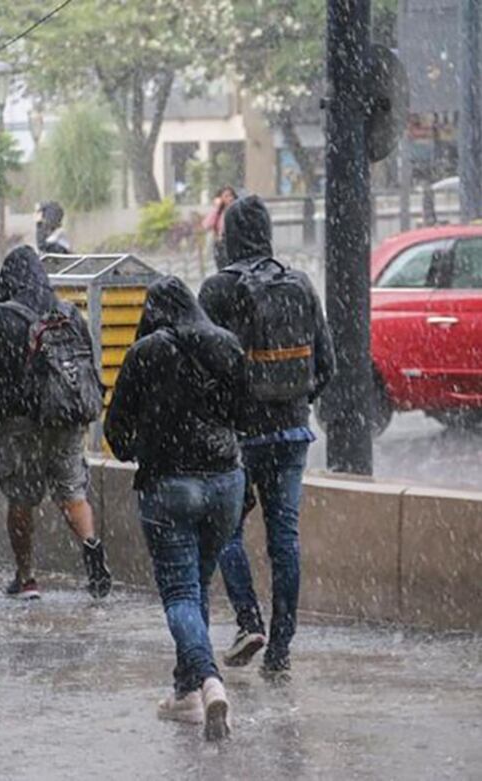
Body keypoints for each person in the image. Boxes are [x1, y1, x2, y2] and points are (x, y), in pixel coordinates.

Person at [104, 275, 247, 741]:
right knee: (198, 586)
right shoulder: (225, 345)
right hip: (225, 483)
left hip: (169, 485)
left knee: (181, 594)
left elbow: (116, 428)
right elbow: (245, 415)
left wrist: (139, 449)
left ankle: (207, 681)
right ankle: (186, 690)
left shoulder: (146, 351)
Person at [199, 195, 335, 678]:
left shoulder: (217, 289)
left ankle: (248, 621)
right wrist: (295, 402)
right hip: (294, 431)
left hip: (239, 437)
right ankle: (281, 648)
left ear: (231, 236)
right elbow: (327, 366)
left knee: (226, 533)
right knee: (285, 539)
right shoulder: (298, 283)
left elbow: (201, 367)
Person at [0, 245, 111, 601]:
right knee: (72, 491)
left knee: (22, 499)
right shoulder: (67, 311)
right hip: (66, 419)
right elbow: (86, 368)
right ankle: (92, 551)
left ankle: (26, 578)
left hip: (21, 425)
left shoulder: (2, 317)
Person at [201, 186, 237, 270]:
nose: (230, 199)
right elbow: (207, 225)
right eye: (226, 196)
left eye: (231, 195)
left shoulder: (238, 211)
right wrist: (217, 207)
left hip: (235, 245)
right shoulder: (219, 213)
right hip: (221, 246)